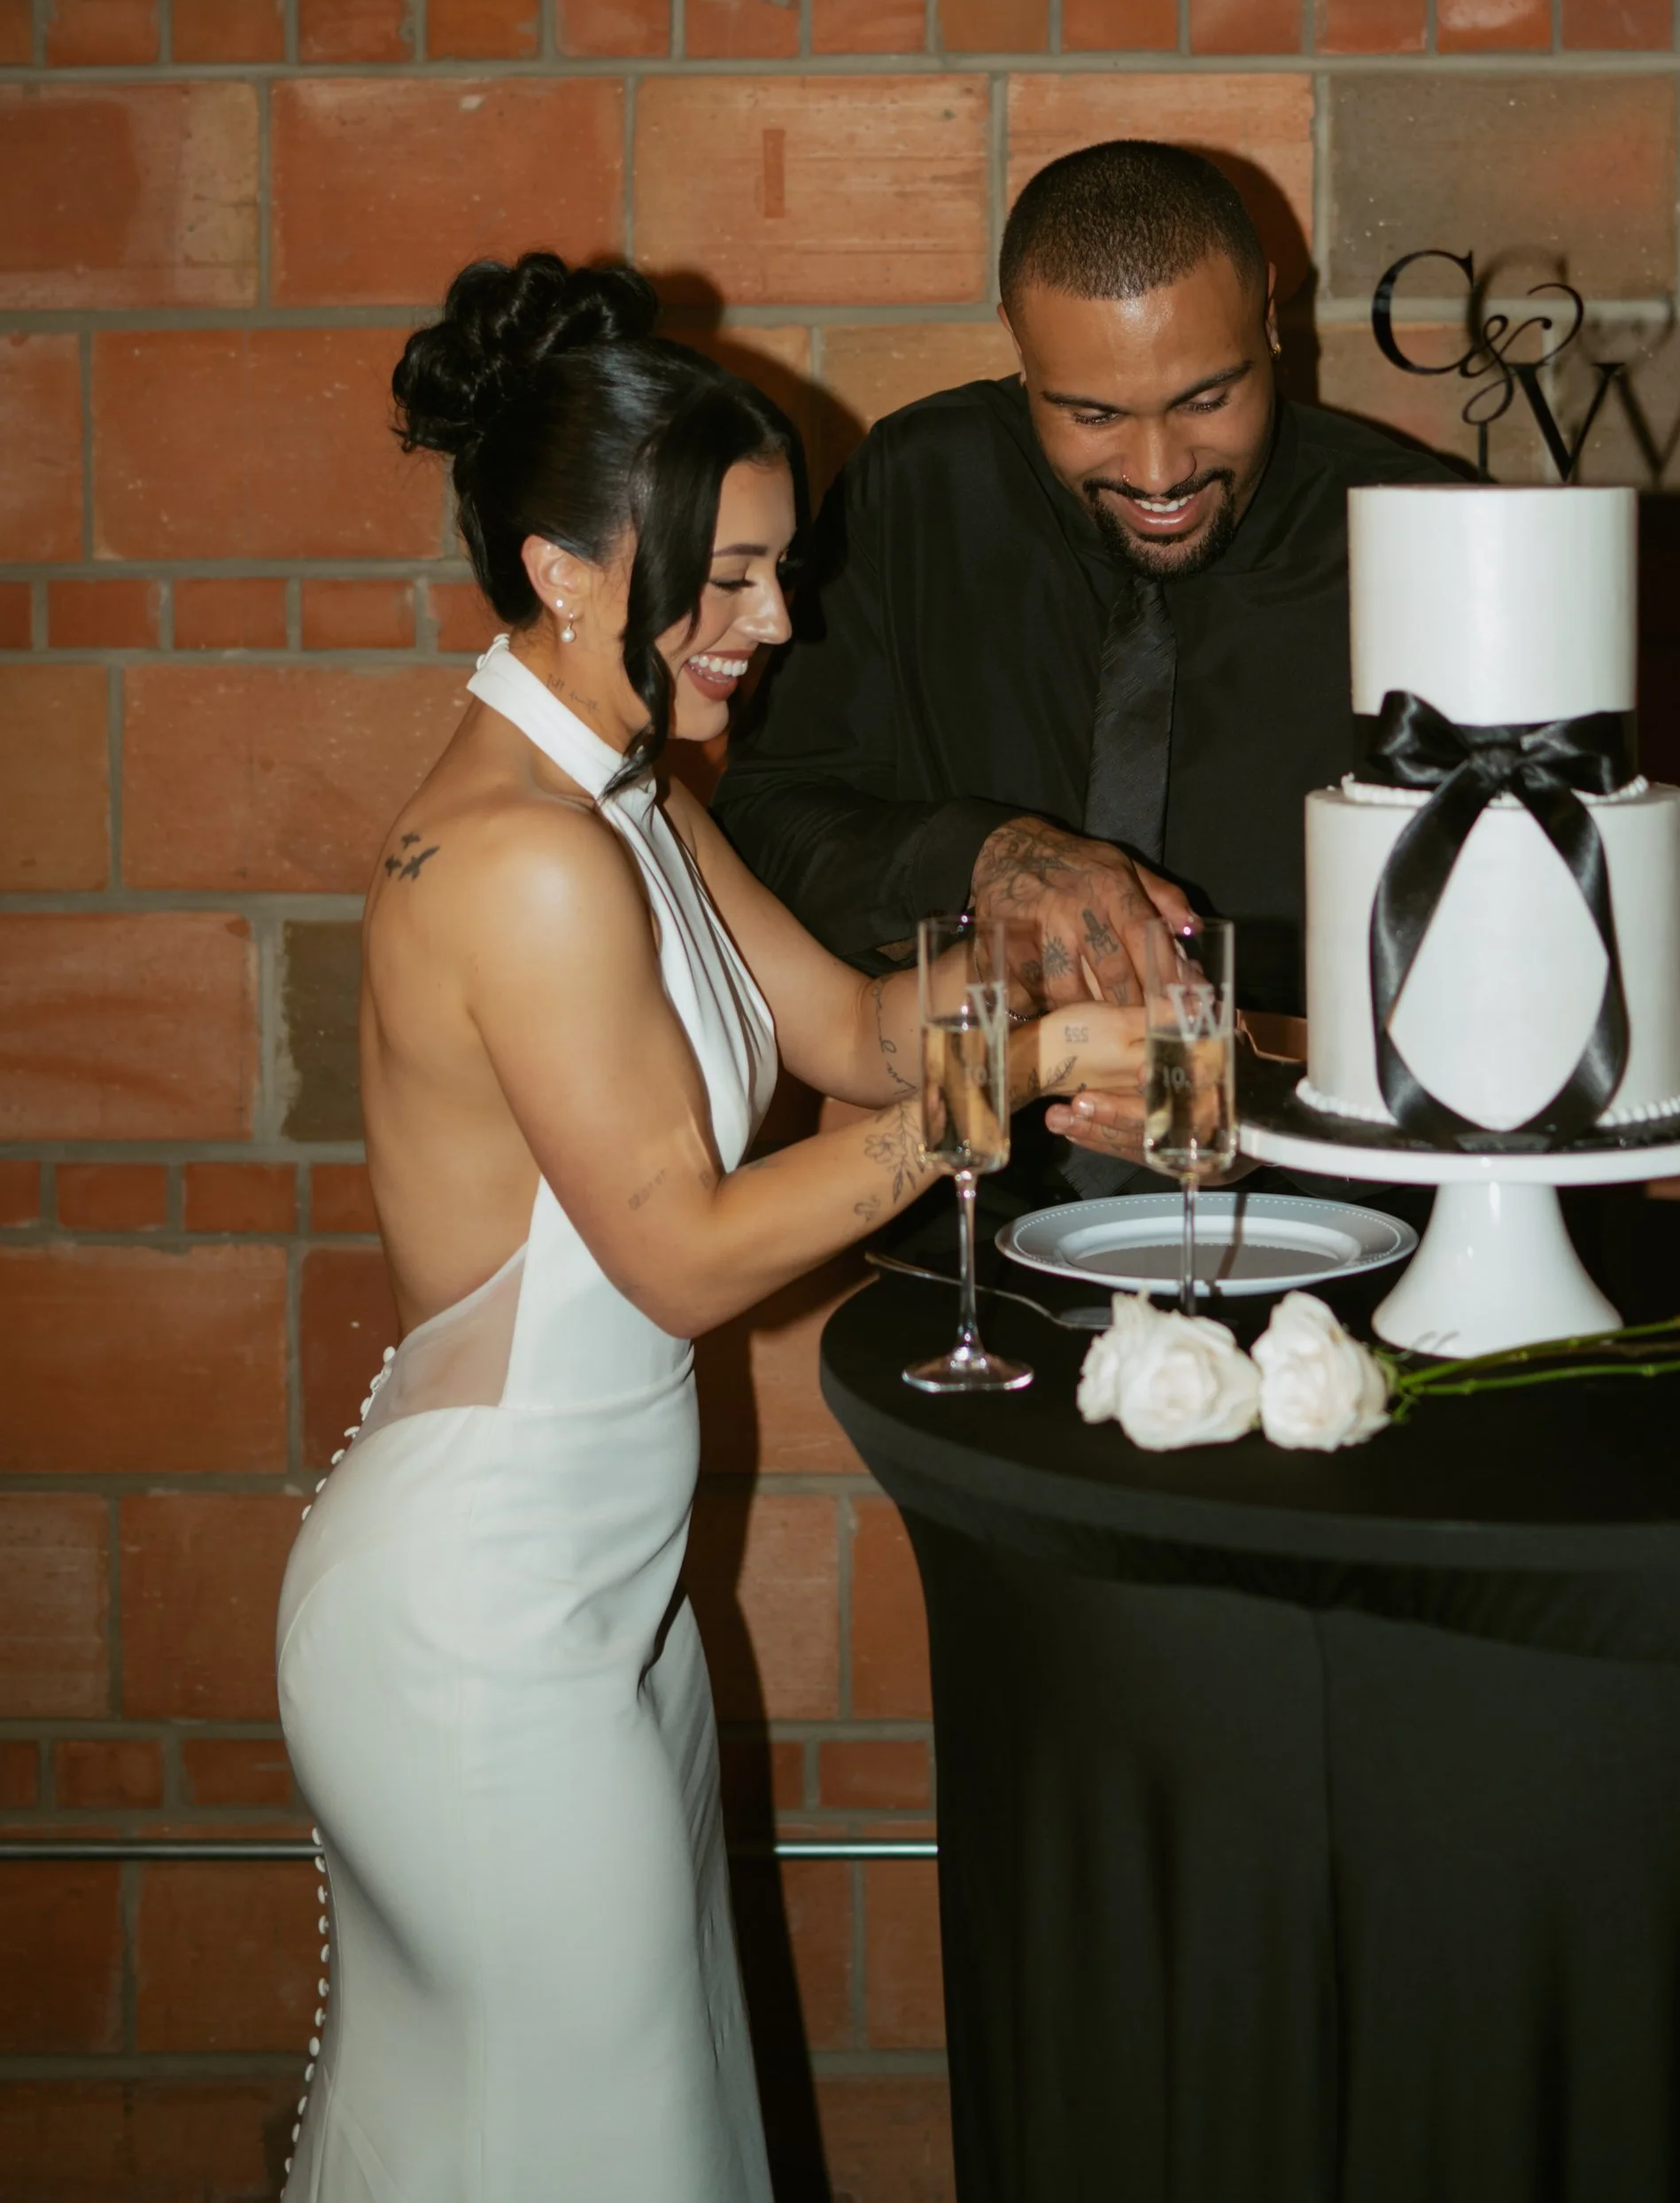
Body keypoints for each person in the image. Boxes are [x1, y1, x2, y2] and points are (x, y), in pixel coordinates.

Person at [275, 254, 1142, 2203]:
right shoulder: (521, 862)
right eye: (727, 574)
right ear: (563, 568)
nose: (772, 619)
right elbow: (676, 1253)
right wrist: (989, 1099)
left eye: (776, 567)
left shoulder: (621, 804)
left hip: (595, 1605)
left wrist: (1051, 964)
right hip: (483, 1631)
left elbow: (840, 1024)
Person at [715, 141, 1455, 1194]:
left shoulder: (1422, 535)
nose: (1159, 474)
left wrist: (1290, 1117)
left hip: (1331, 1239)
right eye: (1093, 416)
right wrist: (981, 853)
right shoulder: (916, 489)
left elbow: (1518, 974)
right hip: (976, 1241)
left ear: (1273, 319)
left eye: (1206, 400)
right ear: (1019, 349)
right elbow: (765, 820)